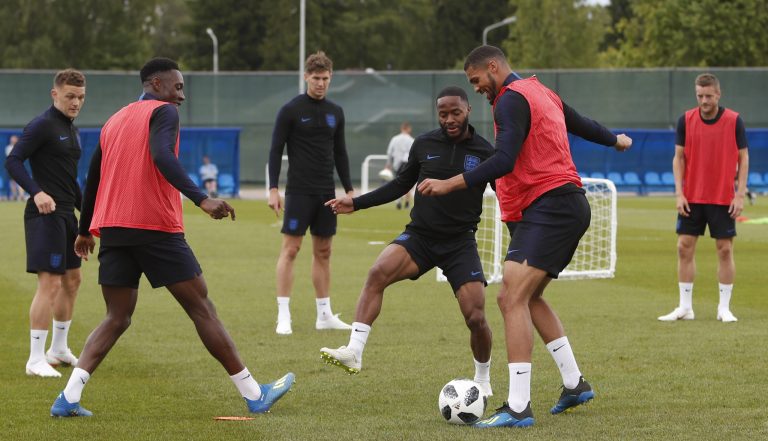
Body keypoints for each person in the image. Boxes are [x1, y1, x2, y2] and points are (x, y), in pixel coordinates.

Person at [49, 58, 294, 417]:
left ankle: (67, 398)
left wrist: (85, 229)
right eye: (177, 87)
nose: (182, 95)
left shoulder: (114, 119)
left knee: (116, 317)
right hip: (153, 226)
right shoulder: (163, 113)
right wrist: (202, 197)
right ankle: (254, 393)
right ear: (156, 84)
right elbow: (161, 155)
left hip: (115, 229)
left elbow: (94, 179)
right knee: (202, 307)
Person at [417, 45, 632, 428]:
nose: (478, 88)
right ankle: (574, 382)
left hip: (550, 206)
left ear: (493, 67)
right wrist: (615, 139)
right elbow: (580, 123)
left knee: (508, 296)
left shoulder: (509, 101)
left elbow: (504, 160)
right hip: (560, 206)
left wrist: (451, 183)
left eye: (476, 80)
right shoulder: (540, 91)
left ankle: (518, 406)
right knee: (529, 298)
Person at [320, 87, 496, 396]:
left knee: (476, 316)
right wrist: (356, 202)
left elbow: (507, 191)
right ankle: (354, 351)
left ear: (468, 110)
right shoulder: (424, 143)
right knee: (377, 273)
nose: (449, 119)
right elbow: (400, 184)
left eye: (455, 113)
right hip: (421, 236)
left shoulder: (484, 151)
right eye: (443, 114)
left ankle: (482, 379)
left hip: (459, 243)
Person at [4, 69, 87, 378]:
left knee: (73, 280)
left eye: (80, 97)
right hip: (45, 216)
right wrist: (36, 192)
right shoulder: (42, 125)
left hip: (68, 216)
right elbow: (13, 160)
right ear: (55, 94)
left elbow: (69, 181)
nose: (76, 102)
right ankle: (35, 359)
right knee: (50, 283)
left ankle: (58, 349)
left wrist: (89, 217)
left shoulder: (72, 130)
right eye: (69, 96)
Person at [267, 51, 354, 335]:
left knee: (324, 252)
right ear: (306, 77)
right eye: (316, 78)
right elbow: (275, 150)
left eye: (325, 79)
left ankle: (324, 315)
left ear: (331, 78)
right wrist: (273, 189)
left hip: (326, 193)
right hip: (299, 192)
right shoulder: (290, 110)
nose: (320, 83)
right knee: (291, 249)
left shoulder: (336, 112)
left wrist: (350, 189)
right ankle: (283, 315)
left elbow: (340, 153)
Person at [658, 73, 749, 323]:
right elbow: (679, 158)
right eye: (700, 95)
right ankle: (685, 307)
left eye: (709, 96)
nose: (704, 100)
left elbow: (743, 158)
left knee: (724, 249)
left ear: (718, 94)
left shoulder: (734, 121)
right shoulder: (685, 121)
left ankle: (724, 308)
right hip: (692, 197)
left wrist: (740, 194)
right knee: (683, 247)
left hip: (723, 197)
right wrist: (679, 193)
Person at [384, 122, 414, 209]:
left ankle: (398, 202)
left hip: (397, 165)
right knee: (408, 183)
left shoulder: (394, 139)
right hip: (408, 164)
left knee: (398, 183)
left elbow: (389, 152)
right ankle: (407, 203)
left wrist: (388, 164)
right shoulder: (411, 140)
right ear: (408, 129)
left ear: (401, 129)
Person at [5, 135, 28, 201]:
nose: (13, 140)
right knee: (12, 182)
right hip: (11, 168)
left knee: (20, 181)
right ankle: (14, 195)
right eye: (12, 139)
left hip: (19, 167)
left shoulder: (20, 146)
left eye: (14, 139)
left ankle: (21, 196)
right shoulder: (8, 147)